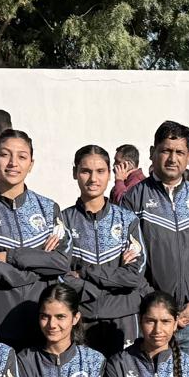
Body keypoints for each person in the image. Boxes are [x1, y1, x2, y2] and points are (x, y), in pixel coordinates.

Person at [0, 129, 67, 348]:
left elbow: (62, 261)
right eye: (5, 155)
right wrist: (37, 268)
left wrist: (10, 256)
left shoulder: (48, 208)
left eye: (22, 156)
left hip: (43, 324)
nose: (13, 163)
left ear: (31, 164)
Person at [120, 121, 189, 358]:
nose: (173, 158)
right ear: (153, 152)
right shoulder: (134, 199)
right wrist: (156, 306)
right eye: (166, 151)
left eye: (179, 152)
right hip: (152, 319)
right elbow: (129, 262)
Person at [61, 144, 149, 355]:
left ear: (110, 174)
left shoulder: (127, 220)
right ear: (75, 173)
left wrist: (84, 272)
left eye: (100, 171)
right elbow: (60, 274)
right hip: (82, 318)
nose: (93, 179)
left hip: (124, 318)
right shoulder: (63, 221)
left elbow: (134, 276)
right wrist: (107, 283)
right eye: (86, 171)